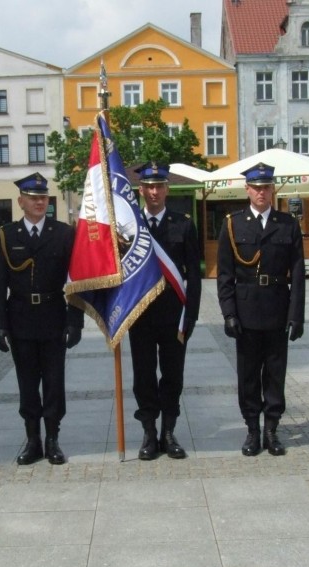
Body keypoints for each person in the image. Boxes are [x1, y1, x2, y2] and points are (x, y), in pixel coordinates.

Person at [0, 172, 82, 465]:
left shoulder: (64, 233)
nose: (39, 202)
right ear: (21, 202)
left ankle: (53, 438)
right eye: (32, 198)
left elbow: (75, 280)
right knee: (27, 383)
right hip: (20, 319)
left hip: (53, 315)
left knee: (54, 383)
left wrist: (75, 320)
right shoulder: (7, 235)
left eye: (43, 197)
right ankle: (32, 439)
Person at [217, 163, 305, 457]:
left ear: (272, 189)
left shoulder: (288, 224)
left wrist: (296, 316)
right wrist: (229, 313)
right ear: (247, 190)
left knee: (276, 374)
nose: (261, 192)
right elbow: (225, 275)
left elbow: (298, 273)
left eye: (266, 187)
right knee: (249, 375)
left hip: (278, 308)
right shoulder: (233, 224)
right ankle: (253, 430)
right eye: (256, 187)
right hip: (246, 311)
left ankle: (272, 429)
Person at [128, 162, 201, 460]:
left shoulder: (183, 224)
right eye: (149, 187)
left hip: (174, 315)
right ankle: (149, 433)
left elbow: (193, 275)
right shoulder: (129, 227)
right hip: (141, 315)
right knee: (143, 376)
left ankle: (169, 431)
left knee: (173, 375)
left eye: (159, 186)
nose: (154, 192)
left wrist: (192, 315)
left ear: (167, 189)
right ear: (140, 190)